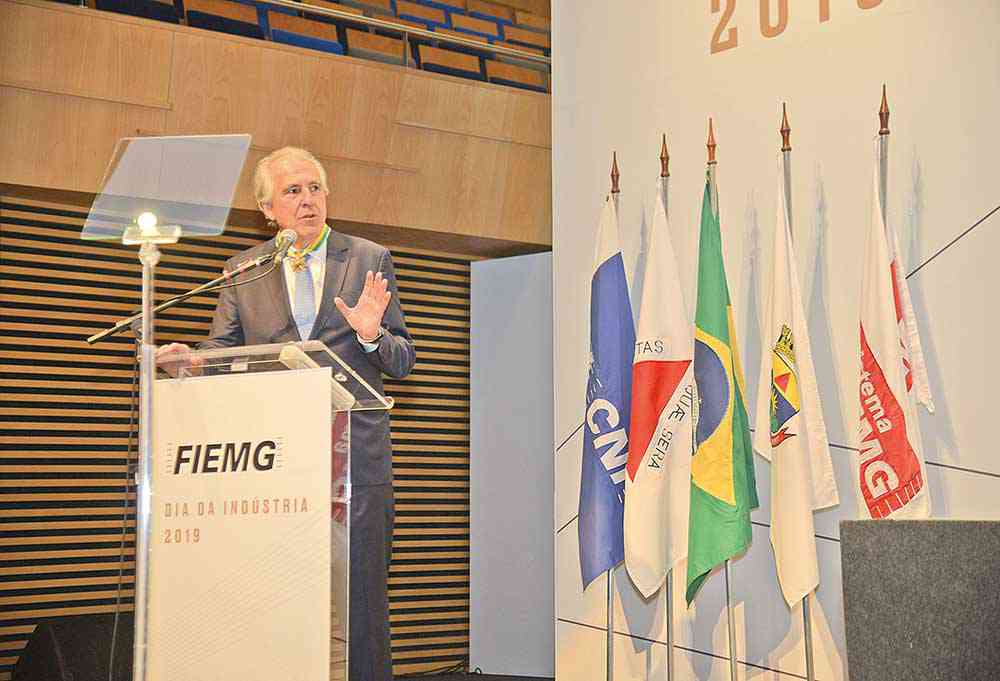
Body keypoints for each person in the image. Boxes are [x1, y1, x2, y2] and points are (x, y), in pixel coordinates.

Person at [157, 146, 415, 681]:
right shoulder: (244, 269)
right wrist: (192, 365)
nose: (307, 200)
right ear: (267, 210)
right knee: (276, 598)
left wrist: (371, 334)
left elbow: (404, 359)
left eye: (315, 188)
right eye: (293, 191)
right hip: (274, 462)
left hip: (354, 462)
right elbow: (221, 353)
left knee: (360, 601)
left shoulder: (368, 257)